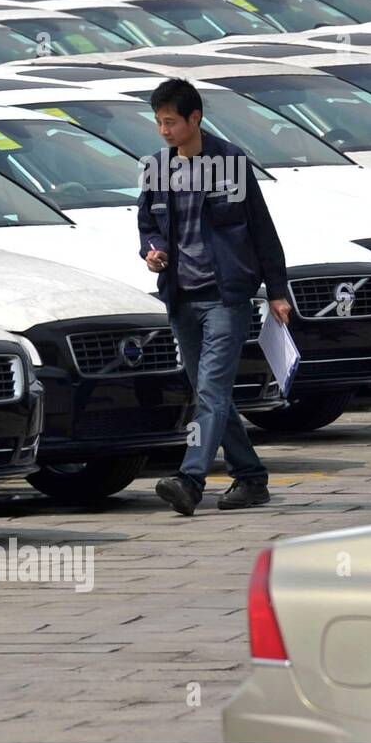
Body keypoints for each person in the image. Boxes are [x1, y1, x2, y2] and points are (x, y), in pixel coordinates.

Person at [137, 78, 291, 516]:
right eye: (159, 123)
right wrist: (151, 250)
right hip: (181, 297)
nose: (164, 131)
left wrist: (277, 291)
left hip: (226, 296)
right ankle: (251, 477)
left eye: (171, 122)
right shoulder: (157, 168)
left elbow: (262, 229)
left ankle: (190, 478)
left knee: (210, 389)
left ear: (195, 119)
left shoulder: (231, 164)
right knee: (211, 393)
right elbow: (147, 222)